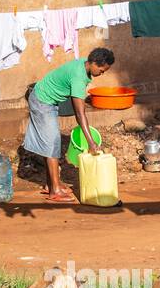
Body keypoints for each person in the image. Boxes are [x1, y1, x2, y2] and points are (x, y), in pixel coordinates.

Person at [23, 47, 115, 203]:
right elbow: (80, 114)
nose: (102, 73)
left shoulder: (82, 65)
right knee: (52, 143)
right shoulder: (79, 77)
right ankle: (55, 191)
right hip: (42, 101)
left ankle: (51, 184)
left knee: (50, 143)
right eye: (101, 69)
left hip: (46, 100)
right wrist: (91, 143)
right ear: (93, 63)